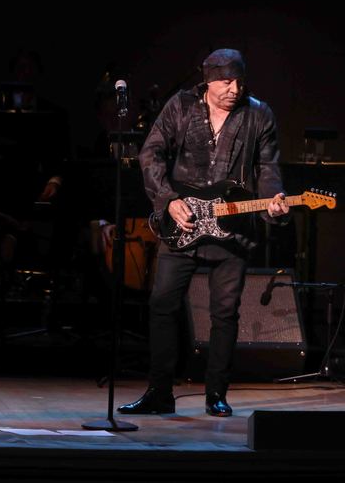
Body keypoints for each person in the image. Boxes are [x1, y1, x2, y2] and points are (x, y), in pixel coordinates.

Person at [117, 48, 290, 417]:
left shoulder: (259, 114)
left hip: (233, 228)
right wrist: (167, 201)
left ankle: (216, 394)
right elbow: (151, 154)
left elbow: (268, 167)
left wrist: (273, 202)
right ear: (207, 80)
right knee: (162, 304)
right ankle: (159, 392)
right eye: (226, 81)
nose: (234, 89)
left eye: (240, 81)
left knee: (225, 313)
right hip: (184, 222)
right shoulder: (180, 107)